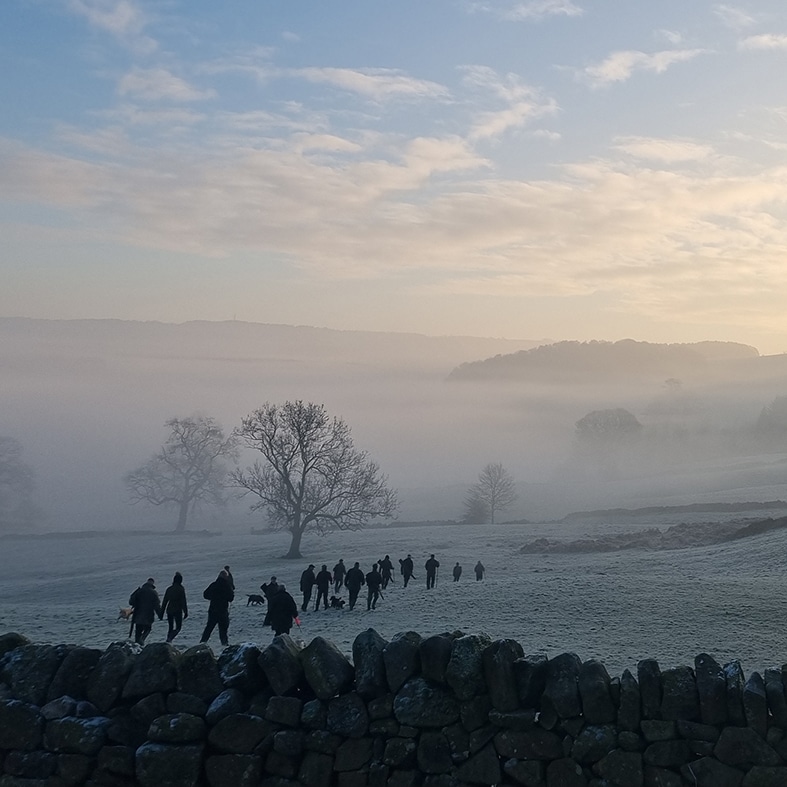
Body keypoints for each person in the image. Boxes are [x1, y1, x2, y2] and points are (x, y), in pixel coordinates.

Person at [201, 569, 235, 647]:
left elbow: (205, 594)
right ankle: (224, 644)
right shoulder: (227, 585)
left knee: (209, 627)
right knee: (223, 629)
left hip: (213, 609)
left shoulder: (214, 584)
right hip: (223, 610)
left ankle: (203, 642)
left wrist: (212, 598)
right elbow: (231, 598)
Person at [129, 577, 161, 645]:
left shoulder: (139, 591)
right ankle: (142, 641)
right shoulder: (154, 593)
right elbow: (157, 606)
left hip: (138, 616)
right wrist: (160, 615)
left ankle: (137, 647)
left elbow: (131, 602)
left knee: (138, 633)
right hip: (148, 616)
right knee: (148, 629)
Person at [159, 571, 188, 642]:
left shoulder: (169, 589)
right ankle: (170, 639)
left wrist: (161, 613)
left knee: (170, 627)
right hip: (178, 610)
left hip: (169, 610)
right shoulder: (181, 589)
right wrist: (185, 612)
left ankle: (169, 640)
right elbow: (183, 601)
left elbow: (164, 602)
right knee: (178, 628)